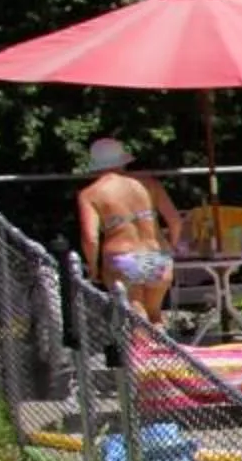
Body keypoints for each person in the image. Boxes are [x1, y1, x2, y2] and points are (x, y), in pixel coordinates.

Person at [75, 136, 183, 324]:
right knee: (155, 315)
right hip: (157, 257)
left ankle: (139, 350)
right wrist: (172, 248)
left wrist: (93, 268)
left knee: (136, 316)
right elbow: (175, 221)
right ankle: (161, 350)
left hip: (123, 259)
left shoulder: (91, 193)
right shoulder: (149, 183)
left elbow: (90, 238)